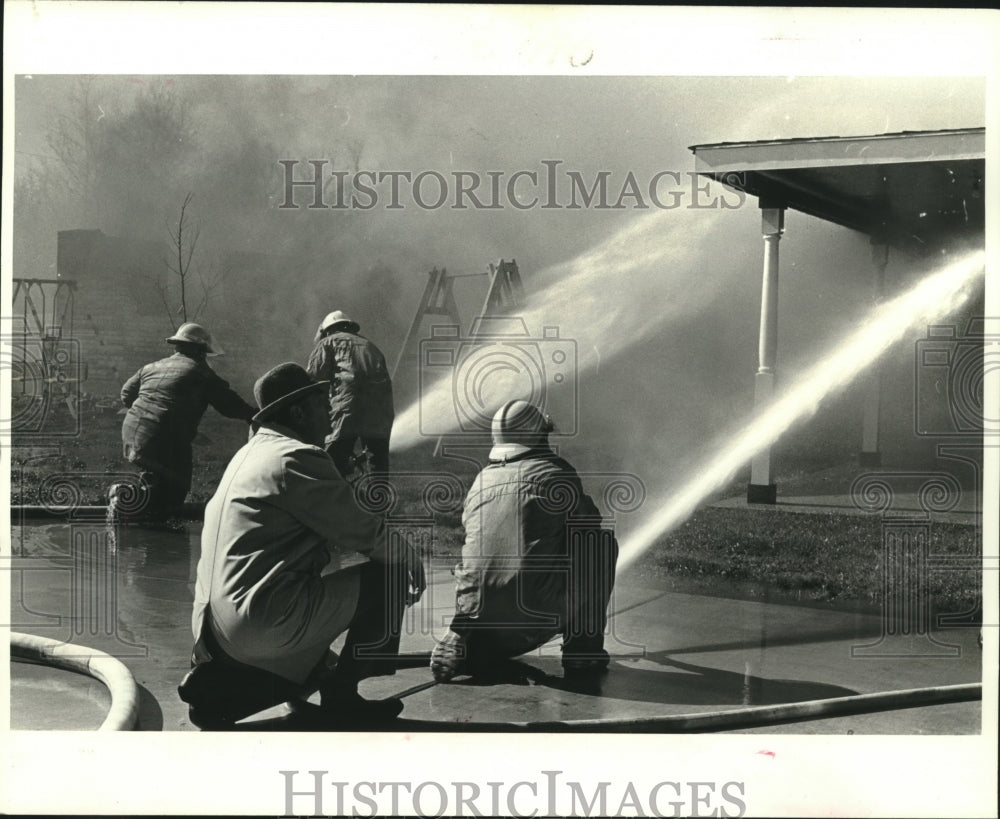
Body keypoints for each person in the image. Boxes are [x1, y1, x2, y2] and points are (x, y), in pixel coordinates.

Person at [180, 362, 426, 729]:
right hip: (259, 623)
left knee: (319, 654)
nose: (329, 409)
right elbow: (364, 534)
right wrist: (407, 555)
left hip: (215, 633)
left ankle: (230, 689)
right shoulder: (295, 457)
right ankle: (342, 696)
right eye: (319, 401)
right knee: (385, 576)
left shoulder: (251, 455)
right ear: (297, 411)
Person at [430, 400, 619, 683]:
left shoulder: (481, 481)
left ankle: (463, 633)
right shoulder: (556, 474)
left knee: (483, 550)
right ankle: (583, 651)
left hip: (480, 622)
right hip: (533, 623)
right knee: (599, 543)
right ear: (541, 435)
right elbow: (589, 523)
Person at [117, 323, 255, 518]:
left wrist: (147, 412)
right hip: (165, 437)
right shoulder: (202, 374)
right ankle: (129, 503)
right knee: (176, 489)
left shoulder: (150, 367)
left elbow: (126, 394)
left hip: (132, 433)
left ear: (177, 346)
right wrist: (254, 415)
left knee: (158, 478)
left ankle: (135, 504)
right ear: (201, 351)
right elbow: (229, 405)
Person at [305, 310, 394, 479]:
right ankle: (377, 504)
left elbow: (314, 383)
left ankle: (333, 502)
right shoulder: (370, 345)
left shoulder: (327, 343)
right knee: (378, 466)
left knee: (333, 463)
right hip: (380, 412)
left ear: (327, 329)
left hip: (346, 410)